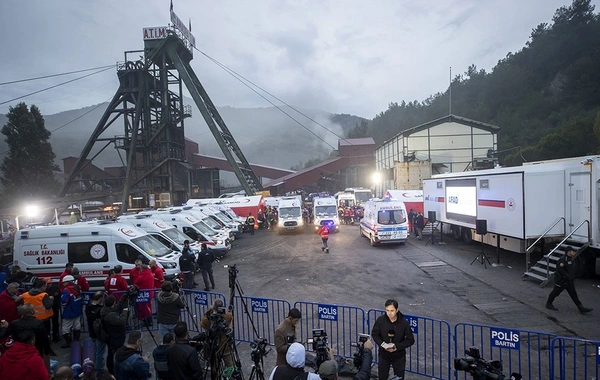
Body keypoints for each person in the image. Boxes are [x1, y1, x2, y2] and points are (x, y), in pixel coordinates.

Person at [371, 299, 415, 380]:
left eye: (392, 311)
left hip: (398, 356)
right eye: (387, 310)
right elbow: (375, 334)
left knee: (398, 377)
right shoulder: (381, 320)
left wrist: (396, 346)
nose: (389, 313)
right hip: (383, 355)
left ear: (397, 310)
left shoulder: (403, 323)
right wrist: (383, 345)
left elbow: (410, 340)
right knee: (382, 377)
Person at [546, 246, 593, 314]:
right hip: (561, 281)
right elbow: (560, 270)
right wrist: (567, 276)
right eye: (573, 251)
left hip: (569, 281)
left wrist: (572, 276)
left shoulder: (570, 259)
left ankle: (580, 307)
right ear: (569, 252)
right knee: (555, 292)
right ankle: (549, 303)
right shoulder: (563, 259)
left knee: (573, 294)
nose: (574, 252)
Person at [7, 304, 52, 372]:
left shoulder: (14, 323)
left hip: (19, 352)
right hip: (36, 351)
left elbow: (11, 336)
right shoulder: (38, 323)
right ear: (31, 311)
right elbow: (45, 341)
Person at [201, 299, 234, 373]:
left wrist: (209, 311)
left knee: (215, 367)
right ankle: (229, 377)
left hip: (214, 344)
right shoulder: (228, 315)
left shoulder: (209, 318)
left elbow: (203, 324)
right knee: (229, 365)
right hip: (225, 344)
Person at [101, 295, 129, 375]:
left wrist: (123, 298)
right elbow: (121, 321)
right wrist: (125, 312)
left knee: (110, 353)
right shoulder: (111, 315)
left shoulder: (106, 310)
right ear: (113, 303)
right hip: (115, 338)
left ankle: (112, 369)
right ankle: (115, 370)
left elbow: (116, 307)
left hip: (111, 337)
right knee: (115, 354)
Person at [85, 291, 107, 376]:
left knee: (95, 350)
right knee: (100, 352)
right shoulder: (101, 310)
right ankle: (100, 369)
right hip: (99, 334)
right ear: (100, 299)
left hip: (92, 332)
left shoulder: (88, 307)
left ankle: (96, 365)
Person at [60, 275, 83, 348]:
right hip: (77, 311)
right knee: (77, 326)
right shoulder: (78, 288)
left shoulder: (66, 290)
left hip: (69, 312)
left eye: (64, 282)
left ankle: (68, 342)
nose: (63, 284)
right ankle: (76, 340)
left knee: (65, 329)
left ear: (68, 282)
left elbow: (63, 301)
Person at [44, 277, 62, 342]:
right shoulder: (43, 289)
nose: (48, 285)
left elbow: (58, 294)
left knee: (55, 322)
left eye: (50, 283)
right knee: (46, 323)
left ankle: (55, 336)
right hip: (46, 308)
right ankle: (47, 336)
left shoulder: (55, 287)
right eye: (47, 284)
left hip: (55, 307)